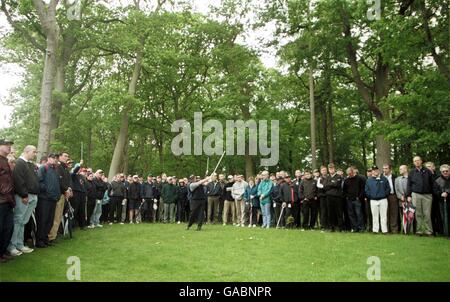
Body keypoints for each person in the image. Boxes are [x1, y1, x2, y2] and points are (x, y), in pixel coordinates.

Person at [7, 145, 39, 256]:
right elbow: (18, 180)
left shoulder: (30, 164)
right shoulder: (20, 163)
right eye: (34, 152)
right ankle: (12, 246)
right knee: (18, 221)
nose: (35, 154)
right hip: (24, 196)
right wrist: (24, 195)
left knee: (23, 222)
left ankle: (19, 244)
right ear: (26, 151)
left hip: (32, 196)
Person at [36, 153, 61, 247]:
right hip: (44, 199)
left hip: (53, 199)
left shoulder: (55, 170)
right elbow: (39, 182)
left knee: (50, 220)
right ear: (49, 158)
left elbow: (56, 184)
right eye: (53, 158)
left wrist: (57, 195)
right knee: (43, 220)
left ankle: (45, 238)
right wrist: (47, 191)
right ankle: (39, 240)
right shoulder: (43, 168)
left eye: (56, 158)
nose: (55, 160)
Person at [406, 156, 435, 236]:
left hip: (427, 195)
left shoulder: (427, 171)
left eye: (418, 160)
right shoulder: (412, 172)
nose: (417, 162)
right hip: (416, 194)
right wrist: (408, 195)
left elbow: (432, 183)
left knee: (427, 213)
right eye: (415, 161)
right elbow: (409, 184)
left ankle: (428, 231)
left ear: (421, 161)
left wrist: (433, 193)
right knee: (417, 213)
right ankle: (418, 230)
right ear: (413, 163)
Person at [48, 152, 72, 243]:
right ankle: (51, 236)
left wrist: (69, 189)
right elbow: (59, 181)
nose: (67, 157)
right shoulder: (58, 167)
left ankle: (53, 235)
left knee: (58, 216)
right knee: (56, 216)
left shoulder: (65, 167)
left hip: (64, 193)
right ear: (60, 157)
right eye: (65, 156)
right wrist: (65, 190)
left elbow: (67, 180)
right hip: (59, 194)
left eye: (67, 156)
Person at [0, 139, 15, 262]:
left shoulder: (5, 161)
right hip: (2, 201)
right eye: (6, 145)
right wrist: (5, 193)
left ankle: (2, 252)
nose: (9, 147)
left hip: (8, 201)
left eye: (10, 145)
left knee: (8, 228)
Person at [365, 166, 390, 234]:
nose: (375, 171)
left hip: (383, 199)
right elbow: (366, 190)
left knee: (383, 216)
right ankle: (375, 230)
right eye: (373, 170)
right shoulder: (369, 180)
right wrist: (371, 196)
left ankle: (384, 230)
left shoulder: (384, 179)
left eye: (376, 170)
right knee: (374, 216)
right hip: (373, 200)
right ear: (372, 171)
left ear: (378, 170)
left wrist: (384, 194)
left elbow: (388, 189)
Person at [343, 167, 365, 232]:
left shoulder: (359, 178)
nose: (349, 175)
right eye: (348, 174)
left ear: (353, 172)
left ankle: (361, 228)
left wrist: (359, 197)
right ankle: (354, 228)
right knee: (351, 215)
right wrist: (346, 197)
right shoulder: (346, 180)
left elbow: (362, 189)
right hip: (349, 200)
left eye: (350, 173)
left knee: (359, 214)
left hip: (357, 199)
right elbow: (344, 190)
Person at [323, 163, 344, 232]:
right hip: (329, 197)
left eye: (332, 168)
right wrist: (332, 184)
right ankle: (332, 227)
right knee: (330, 213)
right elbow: (325, 186)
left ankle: (340, 227)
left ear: (334, 169)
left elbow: (337, 184)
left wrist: (330, 184)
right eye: (329, 168)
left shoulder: (339, 176)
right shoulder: (327, 177)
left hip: (337, 197)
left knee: (339, 212)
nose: (331, 169)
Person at [426, 161, 443, 235]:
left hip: (438, 198)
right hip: (429, 197)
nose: (429, 168)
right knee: (430, 214)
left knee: (439, 214)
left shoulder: (438, 176)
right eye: (427, 167)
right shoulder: (425, 177)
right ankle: (432, 230)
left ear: (434, 167)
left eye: (430, 166)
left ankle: (441, 230)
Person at [70, 161, 87, 230]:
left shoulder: (82, 176)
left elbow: (84, 185)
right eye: (79, 168)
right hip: (76, 193)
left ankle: (82, 225)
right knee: (75, 209)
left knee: (82, 210)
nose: (80, 169)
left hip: (82, 194)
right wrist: (79, 164)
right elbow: (75, 171)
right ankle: (72, 225)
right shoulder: (73, 175)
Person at [434, 164, 450, 237]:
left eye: (447, 171)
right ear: (441, 172)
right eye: (443, 171)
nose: (445, 172)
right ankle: (446, 232)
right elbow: (435, 191)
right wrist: (441, 194)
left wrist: (447, 192)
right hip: (442, 201)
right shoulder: (437, 180)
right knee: (444, 217)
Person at [382, 164, 398, 234]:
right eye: (383, 168)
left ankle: (394, 229)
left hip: (393, 196)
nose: (384, 170)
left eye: (386, 168)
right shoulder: (381, 177)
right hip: (384, 196)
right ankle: (386, 229)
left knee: (394, 213)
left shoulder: (395, 177)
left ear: (390, 169)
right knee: (385, 213)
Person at [395, 165, 409, 233]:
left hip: (410, 199)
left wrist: (410, 196)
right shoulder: (397, 179)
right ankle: (404, 230)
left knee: (411, 215)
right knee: (403, 215)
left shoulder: (411, 178)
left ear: (406, 169)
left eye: (401, 169)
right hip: (401, 200)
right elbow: (396, 190)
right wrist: (400, 197)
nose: (399, 170)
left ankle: (414, 230)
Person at [316, 166, 328, 230]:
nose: (324, 171)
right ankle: (323, 225)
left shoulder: (329, 177)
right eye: (323, 170)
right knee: (323, 212)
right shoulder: (319, 179)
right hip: (322, 197)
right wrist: (326, 187)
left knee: (329, 211)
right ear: (321, 171)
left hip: (328, 196)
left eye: (325, 170)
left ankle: (329, 225)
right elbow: (319, 186)